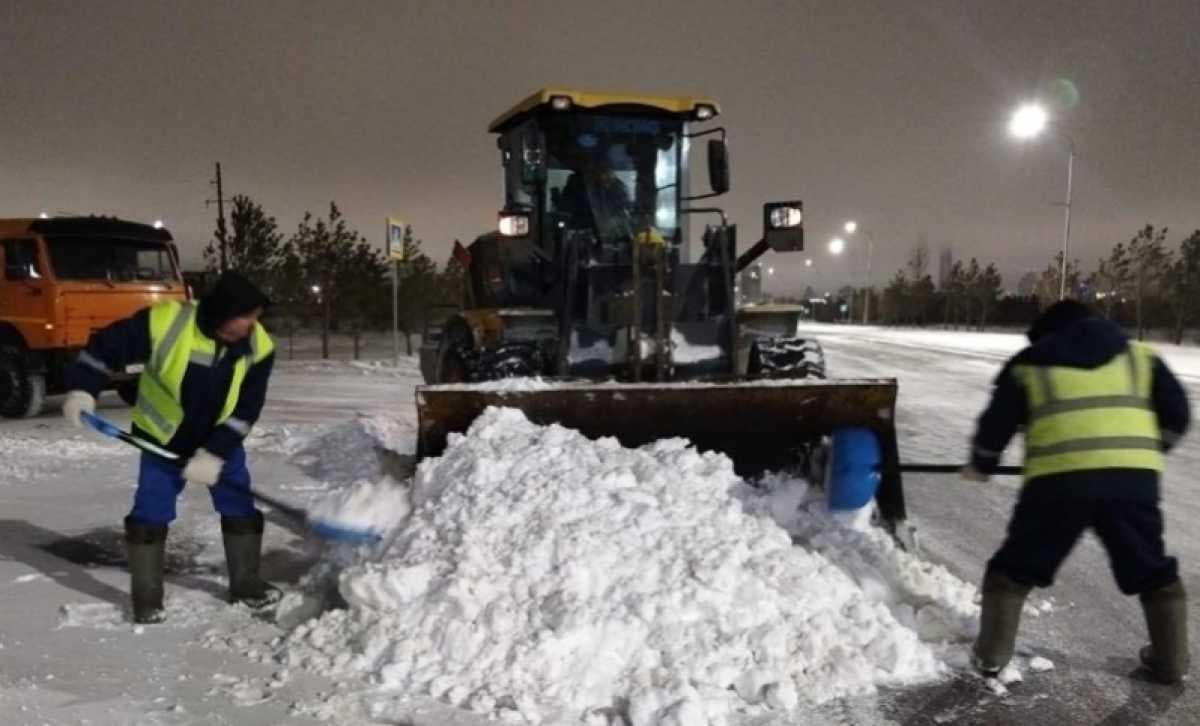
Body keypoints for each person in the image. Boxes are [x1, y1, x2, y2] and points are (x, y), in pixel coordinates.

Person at [964, 300, 1190, 684]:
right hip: (1132, 486)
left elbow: (996, 425)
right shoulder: (1140, 357)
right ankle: (1171, 661)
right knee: (1152, 570)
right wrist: (1146, 454)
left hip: (1057, 486)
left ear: (1047, 332)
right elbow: (1178, 414)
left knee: (1013, 572)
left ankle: (991, 657)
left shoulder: (1030, 363)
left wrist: (982, 463)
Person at [62, 271, 279, 624]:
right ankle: (147, 598)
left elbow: (246, 410)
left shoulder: (259, 347)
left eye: (256, 316)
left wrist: (216, 452)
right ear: (223, 313)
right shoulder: (168, 322)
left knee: (239, 506)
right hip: (161, 440)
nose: (253, 324)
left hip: (217, 443)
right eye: (247, 316)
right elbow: (105, 348)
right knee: (151, 512)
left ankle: (246, 582)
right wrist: (84, 389)